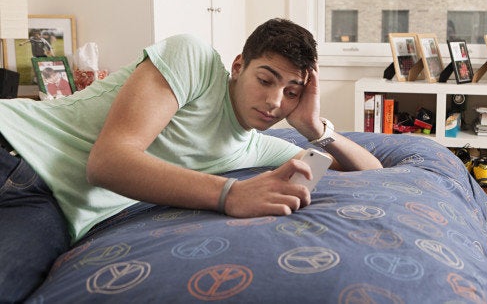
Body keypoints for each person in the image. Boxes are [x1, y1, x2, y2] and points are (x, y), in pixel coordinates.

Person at [0, 18, 382, 301]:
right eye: (265, 80)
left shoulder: (257, 147)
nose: (274, 102)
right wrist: (230, 194)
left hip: (51, 209)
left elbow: (372, 172)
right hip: (11, 143)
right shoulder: (194, 59)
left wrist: (315, 127)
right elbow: (108, 162)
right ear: (238, 66)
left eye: (292, 92)